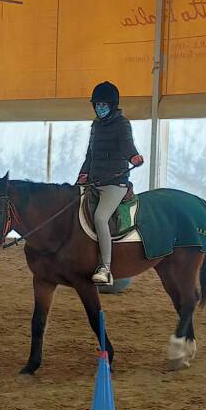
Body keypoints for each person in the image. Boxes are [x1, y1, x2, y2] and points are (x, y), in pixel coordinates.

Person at [77, 81, 145, 286]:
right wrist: (83, 173)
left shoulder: (122, 123)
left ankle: (105, 268)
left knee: (100, 218)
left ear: (112, 105)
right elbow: (90, 154)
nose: (99, 108)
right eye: (97, 105)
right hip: (94, 181)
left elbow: (127, 145)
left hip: (115, 183)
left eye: (103, 104)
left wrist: (134, 157)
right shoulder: (95, 126)